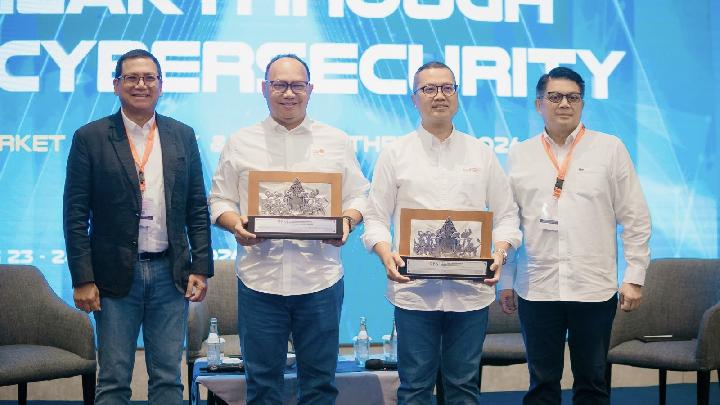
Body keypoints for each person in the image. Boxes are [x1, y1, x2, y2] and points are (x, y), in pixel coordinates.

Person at [208, 54, 368, 404]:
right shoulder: (240, 141)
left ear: (310, 89)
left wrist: (347, 221)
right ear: (264, 89)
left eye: (297, 85)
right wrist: (235, 224)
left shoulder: (337, 140)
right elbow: (219, 200)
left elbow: (359, 195)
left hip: (320, 280)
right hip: (260, 281)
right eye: (279, 84)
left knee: (320, 385)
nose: (288, 93)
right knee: (262, 386)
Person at [362, 61, 521, 404]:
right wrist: (385, 253)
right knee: (415, 387)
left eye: (447, 88)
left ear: (457, 95)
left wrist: (500, 252)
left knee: (463, 388)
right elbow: (375, 217)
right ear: (414, 98)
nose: (439, 95)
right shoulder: (395, 153)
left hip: (470, 293)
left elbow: (508, 216)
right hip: (414, 292)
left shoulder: (482, 153)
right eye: (429, 89)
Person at [63, 49, 213, 404]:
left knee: (168, 379)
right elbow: (75, 214)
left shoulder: (182, 135)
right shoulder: (90, 137)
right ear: (117, 85)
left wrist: (200, 267)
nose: (141, 85)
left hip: (170, 273)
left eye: (149, 78)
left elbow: (196, 206)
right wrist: (83, 278)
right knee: (113, 379)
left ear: (161, 85)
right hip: (114, 277)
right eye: (131, 78)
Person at [499, 66, 651, 404]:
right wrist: (506, 279)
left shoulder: (610, 149)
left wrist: (634, 276)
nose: (564, 103)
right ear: (539, 104)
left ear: (582, 104)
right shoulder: (520, 154)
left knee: (592, 383)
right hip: (537, 287)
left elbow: (635, 217)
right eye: (555, 97)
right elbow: (510, 221)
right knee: (542, 384)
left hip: (593, 288)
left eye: (573, 97)